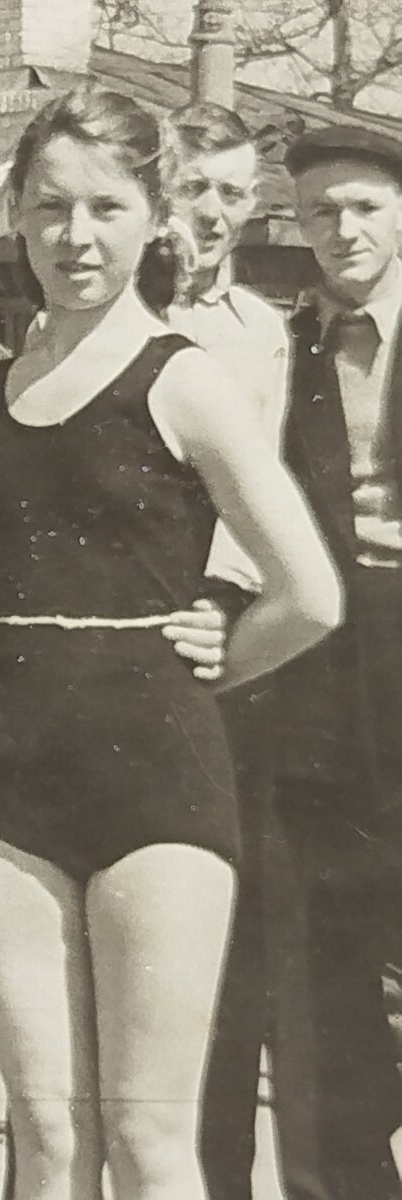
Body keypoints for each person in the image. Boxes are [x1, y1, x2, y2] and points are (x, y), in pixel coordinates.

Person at [0, 86, 341, 1200]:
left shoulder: (185, 377)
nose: (75, 236)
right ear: (15, 214)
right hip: (1, 781)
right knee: (45, 1132)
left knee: (150, 1138)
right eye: (50, 206)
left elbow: (308, 594)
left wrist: (207, 661)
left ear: (154, 216)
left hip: (154, 781)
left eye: (106, 208)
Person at [158, 102, 301, 1200]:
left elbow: (265, 505)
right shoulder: (81, 308)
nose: (210, 213)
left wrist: (224, 607)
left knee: (216, 947)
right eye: (191, 185)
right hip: (96, 635)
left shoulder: (259, 333)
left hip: (212, 645)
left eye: (231, 193)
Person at [260, 123, 402, 1200]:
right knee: (329, 988)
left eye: (365, 207)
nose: (343, 229)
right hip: (327, 688)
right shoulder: (282, 353)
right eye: (322, 212)